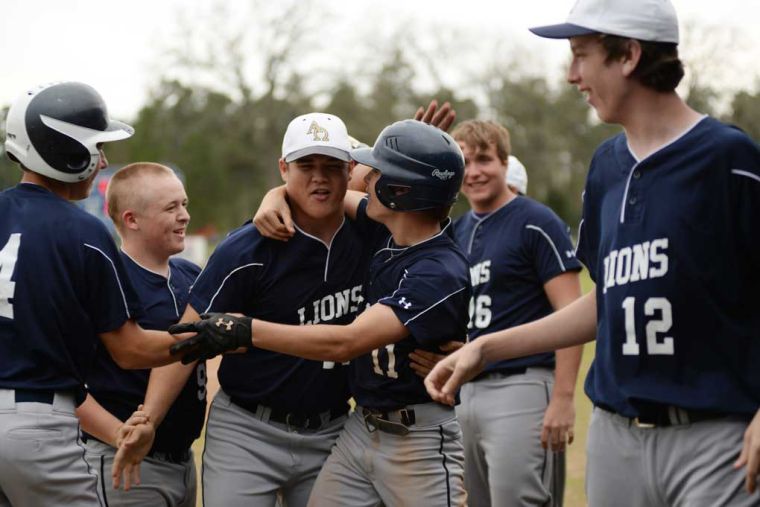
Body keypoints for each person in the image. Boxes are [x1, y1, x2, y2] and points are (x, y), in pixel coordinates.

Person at [425, 1, 760, 505]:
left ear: (628, 54)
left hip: (714, 438)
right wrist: (485, 347)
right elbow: (606, 301)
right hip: (614, 431)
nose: (571, 75)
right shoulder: (605, 166)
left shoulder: (728, 159)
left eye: (581, 55)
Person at [172, 119, 471, 506]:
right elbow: (323, 190)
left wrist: (245, 330)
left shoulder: (434, 266)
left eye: (375, 174)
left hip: (417, 436)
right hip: (358, 430)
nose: (364, 180)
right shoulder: (388, 231)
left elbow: (346, 342)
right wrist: (277, 194)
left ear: (400, 193)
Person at [0, 82, 193, 506]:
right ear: (63, 150)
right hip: (39, 425)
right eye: (95, 148)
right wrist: (209, 337)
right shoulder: (83, 230)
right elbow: (131, 350)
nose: (102, 161)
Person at [451, 119, 583, 506]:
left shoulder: (536, 221)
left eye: (484, 160)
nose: (474, 172)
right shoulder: (457, 229)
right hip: (465, 390)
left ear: (505, 163)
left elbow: (572, 315)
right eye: (465, 162)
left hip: (521, 387)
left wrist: (562, 398)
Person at [75, 162, 204, 506]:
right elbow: (66, 383)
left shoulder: (191, 274)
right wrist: (121, 437)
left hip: (184, 460)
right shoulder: (105, 279)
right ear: (131, 220)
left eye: (185, 204)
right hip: (129, 464)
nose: (184, 216)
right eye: (171, 207)